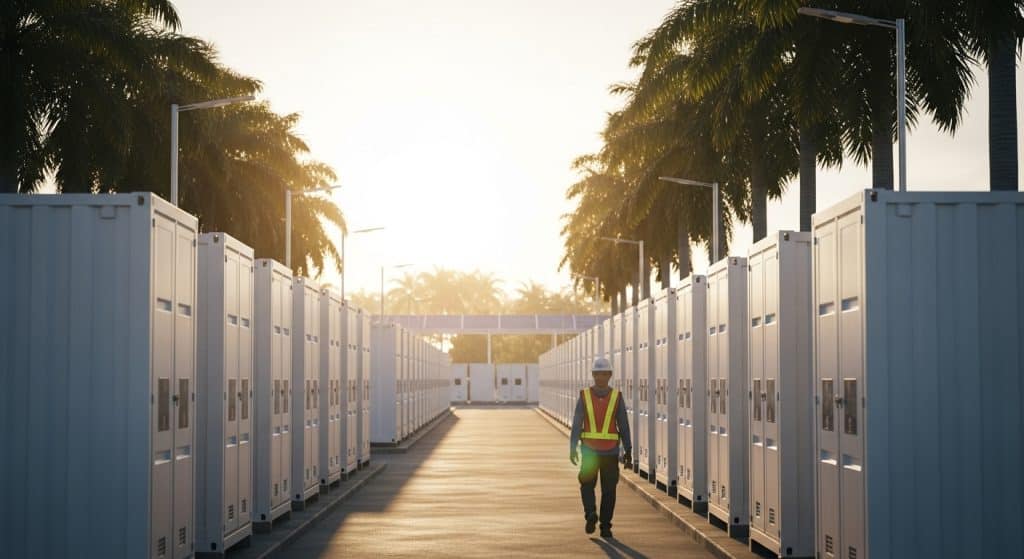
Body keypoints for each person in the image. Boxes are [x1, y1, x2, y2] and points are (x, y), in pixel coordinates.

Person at [569, 357, 632, 539]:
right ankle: (605, 527)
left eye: (602, 374)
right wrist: (628, 450)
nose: (600, 377)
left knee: (587, 485)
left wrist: (573, 447)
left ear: (609, 375)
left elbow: (577, 424)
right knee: (609, 491)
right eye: (598, 374)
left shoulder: (585, 396)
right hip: (610, 453)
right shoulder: (616, 397)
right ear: (594, 375)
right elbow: (624, 425)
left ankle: (590, 513)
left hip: (589, 452)